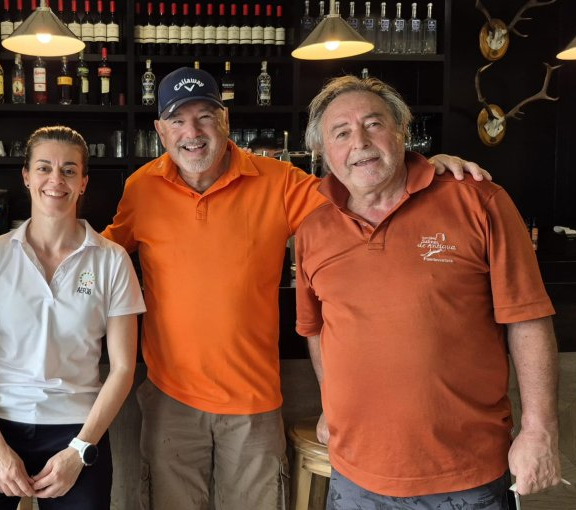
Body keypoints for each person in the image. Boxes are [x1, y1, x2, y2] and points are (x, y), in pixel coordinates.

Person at [101, 67, 491, 510]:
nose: (193, 133)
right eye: (178, 120)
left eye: (205, 116)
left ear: (225, 120)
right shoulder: (141, 188)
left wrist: (425, 169)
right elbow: (101, 256)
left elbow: (363, 194)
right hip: (169, 399)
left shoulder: (279, 180)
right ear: (160, 130)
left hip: (253, 402)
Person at [295, 75, 561, 509]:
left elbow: (528, 318)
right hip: (355, 474)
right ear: (323, 152)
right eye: (341, 133)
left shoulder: (477, 201)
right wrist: (331, 403)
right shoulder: (313, 230)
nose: (360, 142)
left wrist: (540, 430)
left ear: (402, 130)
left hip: (465, 473)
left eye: (373, 124)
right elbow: (317, 328)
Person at [0, 126, 145, 510]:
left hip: (77, 427)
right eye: (44, 168)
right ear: (26, 176)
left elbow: (122, 369)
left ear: (83, 183)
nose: (56, 180)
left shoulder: (112, 260)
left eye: (69, 170)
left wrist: (80, 450)